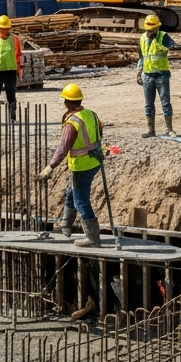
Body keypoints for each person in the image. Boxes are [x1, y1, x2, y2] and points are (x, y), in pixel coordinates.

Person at [39, 84, 106, 247]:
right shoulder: (91, 114)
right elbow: (99, 132)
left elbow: (63, 149)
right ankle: (65, 225)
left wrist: (51, 166)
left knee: (81, 200)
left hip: (82, 165)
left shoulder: (72, 122)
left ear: (67, 102)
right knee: (71, 190)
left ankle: (93, 238)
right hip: (94, 160)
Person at [137, 14, 176, 138]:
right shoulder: (142, 38)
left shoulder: (163, 36)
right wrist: (138, 73)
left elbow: (172, 46)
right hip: (147, 75)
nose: (150, 32)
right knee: (148, 105)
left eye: (152, 30)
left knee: (165, 103)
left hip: (161, 75)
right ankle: (151, 130)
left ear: (157, 28)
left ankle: (169, 129)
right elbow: (142, 56)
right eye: (148, 30)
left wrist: (163, 46)